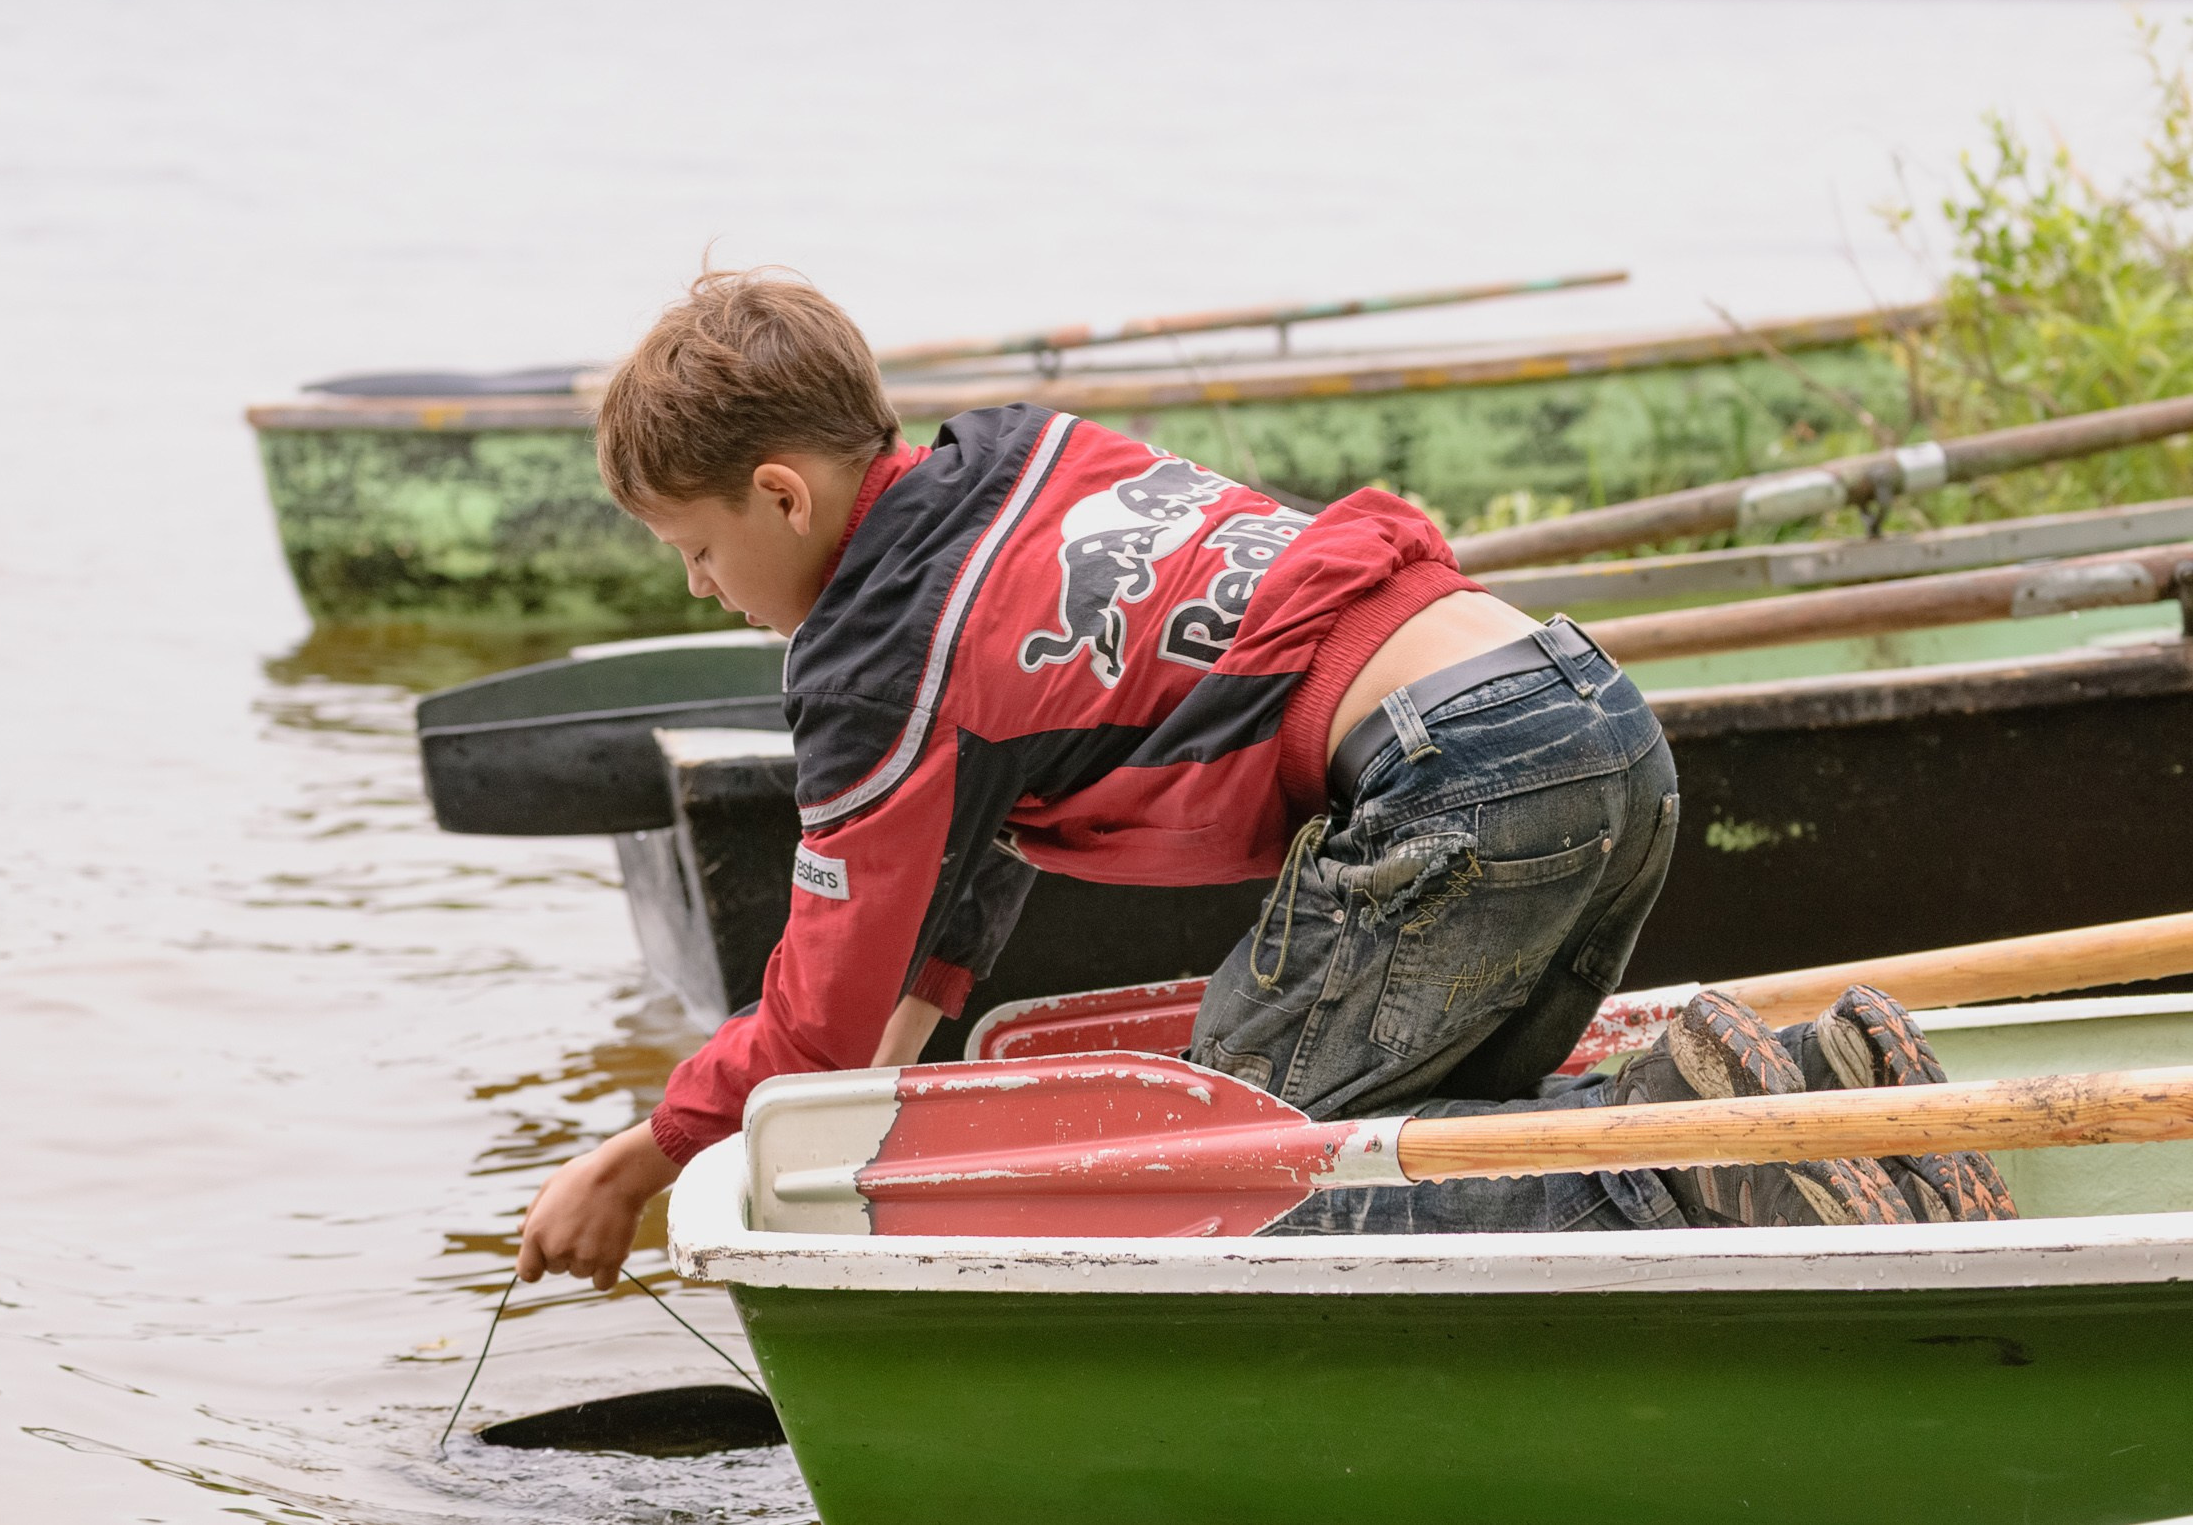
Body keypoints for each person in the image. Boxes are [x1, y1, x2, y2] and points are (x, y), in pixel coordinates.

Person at [516, 267, 2006, 1288]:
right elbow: (975, 853)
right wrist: (898, 1072)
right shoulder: (1013, 466)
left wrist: (638, 1159)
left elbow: (813, 1009)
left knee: (1219, 1167)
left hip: (1456, 783)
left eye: (698, 550)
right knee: (1443, 1129)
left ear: (782, 492)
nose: (707, 589)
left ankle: (1693, 1175)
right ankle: (1809, 1095)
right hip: (1583, 710)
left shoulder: (871, 651)